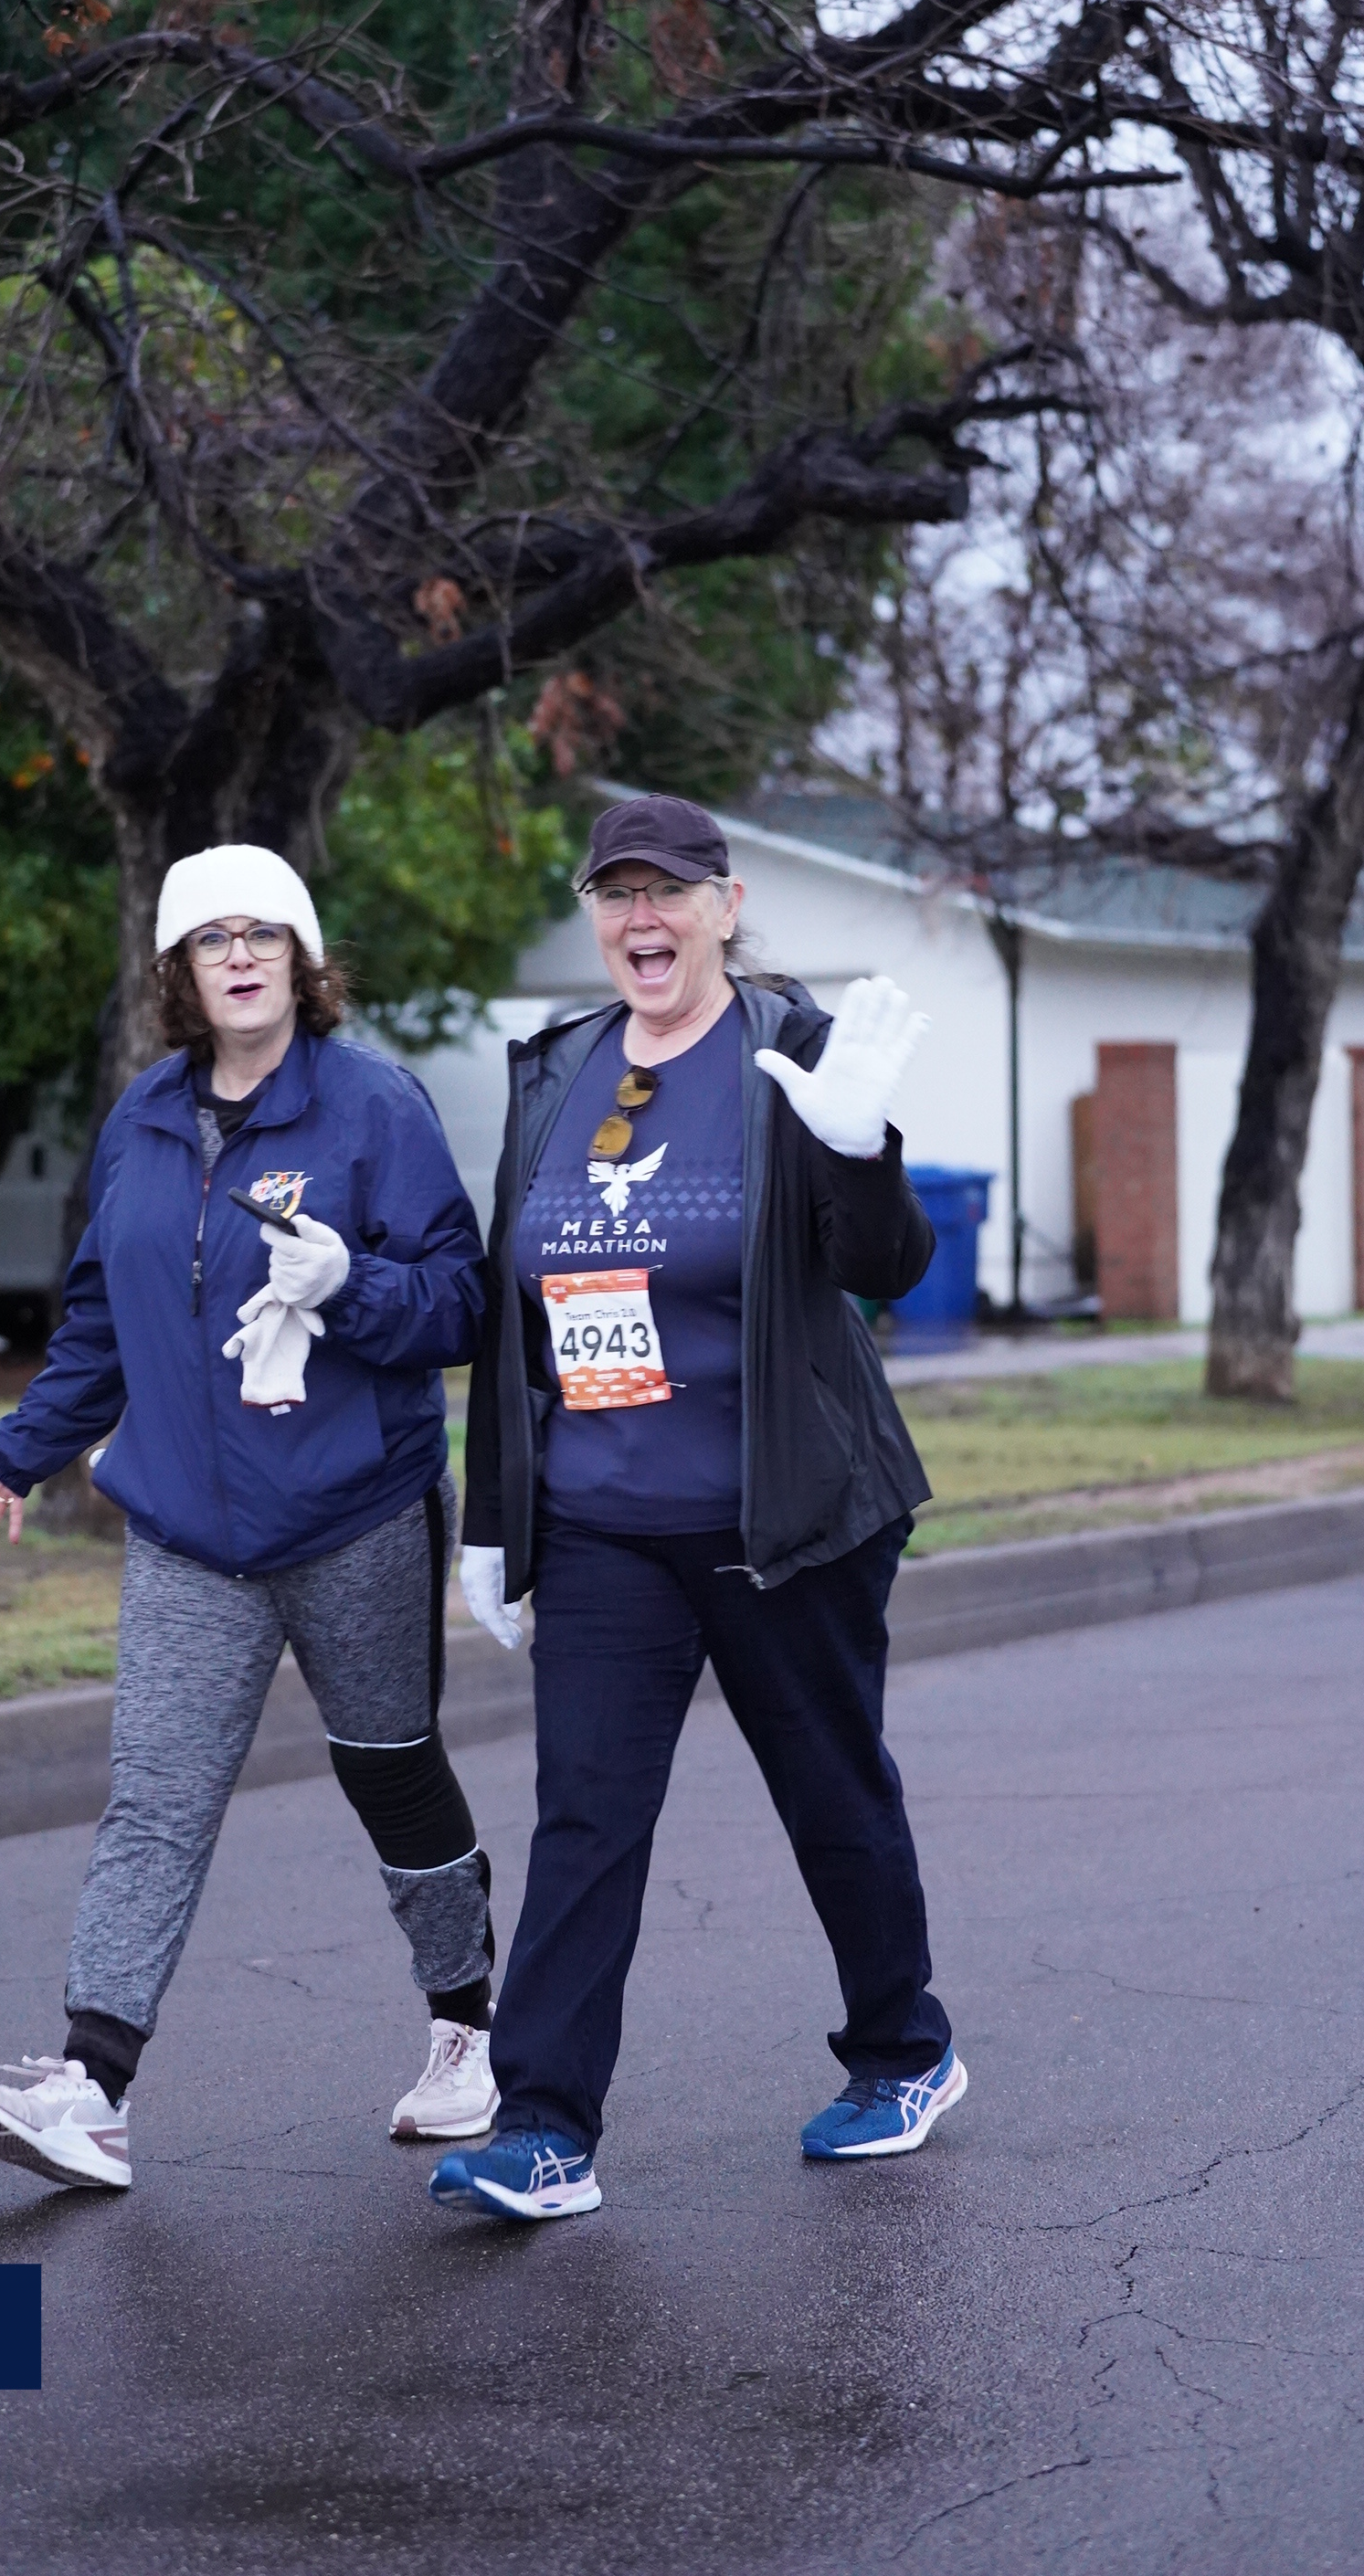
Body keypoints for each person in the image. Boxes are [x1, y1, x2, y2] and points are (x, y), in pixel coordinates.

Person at [432, 792, 959, 2222]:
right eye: (616, 894)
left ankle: (904, 2052)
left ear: (727, 907)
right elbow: (520, 1311)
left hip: (781, 1510)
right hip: (603, 1522)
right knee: (586, 1818)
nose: (641, 918)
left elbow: (888, 1266)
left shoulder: (798, 1053)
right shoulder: (559, 1068)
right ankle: (545, 2129)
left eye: (668, 890)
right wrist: (496, 1517)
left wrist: (859, 1145)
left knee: (830, 1791)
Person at [0, 844, 499, 2193]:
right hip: (189, 1529)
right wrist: (23, 1449)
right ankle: (92, 2088)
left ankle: (469, 2029)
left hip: (356, 1511)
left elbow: (463, 1305)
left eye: (263, 935)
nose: (239, 957)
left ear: (302, 961)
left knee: (390, 1767)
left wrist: (353, 1282)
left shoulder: (373, 1106)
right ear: (179, 973)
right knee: (155, 1797)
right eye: (211, 939)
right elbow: (104, 1322)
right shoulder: (141, 1118)